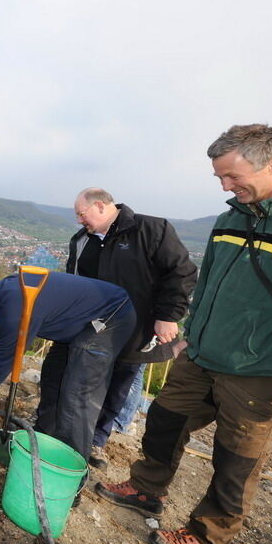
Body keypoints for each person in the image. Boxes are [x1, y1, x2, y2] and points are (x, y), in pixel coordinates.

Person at [95, 124, 272, 544]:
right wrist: (190, 334)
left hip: (264, 370)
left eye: (233, 176)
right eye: (220, 177)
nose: (225, 185)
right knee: (164, 420)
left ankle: (205, 537)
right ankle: (146, 489)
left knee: (236, 461)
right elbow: (209, 284)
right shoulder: (231, 218)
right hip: (201, 356)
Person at [0, 272, 136, 464]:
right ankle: (44, 437)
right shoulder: (6, 293)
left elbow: (6, 357)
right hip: (80, 325)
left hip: (110, 317)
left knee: (75, 394)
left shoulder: (15, 304)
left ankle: (69, 464)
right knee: (53, 374)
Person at [67, 188, 197, 468]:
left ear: (100, 206)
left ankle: (97, 441)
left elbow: (182, 272)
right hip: (96, 330)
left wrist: (169, 315)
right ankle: (75, 435)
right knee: (87, 383)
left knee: (119, 388)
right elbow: (73, 282)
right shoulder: (82, 241)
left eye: (81, 214)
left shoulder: (150, 229)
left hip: (138, 330)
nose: (79, 221)